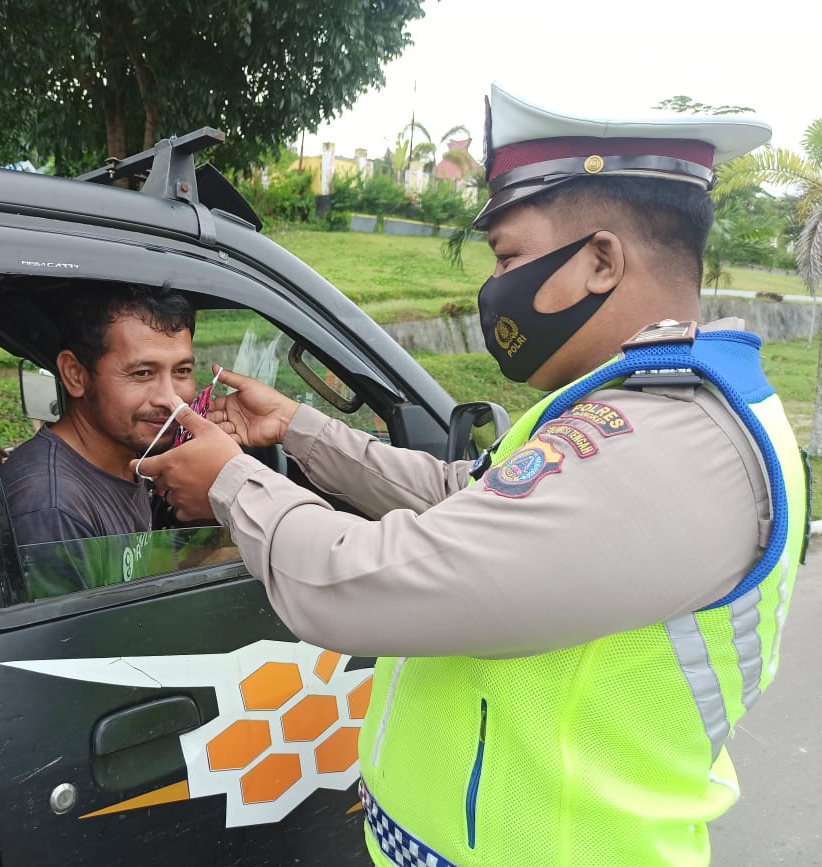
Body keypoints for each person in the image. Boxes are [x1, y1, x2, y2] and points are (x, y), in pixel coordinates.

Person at [137, 83, 808, 866]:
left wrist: (230, 481)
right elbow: (469, 499)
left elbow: (368, 583)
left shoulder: (673, 446)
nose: (494, 289)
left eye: (508, 258)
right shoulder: (628, 406)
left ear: (600, 260)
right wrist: (298, 429)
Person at [1, 284, 196, 546]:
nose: (171, 399)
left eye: (182, 371)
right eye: (142, 373)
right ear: (75, 375)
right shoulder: (53, 508)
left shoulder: (125, 460)